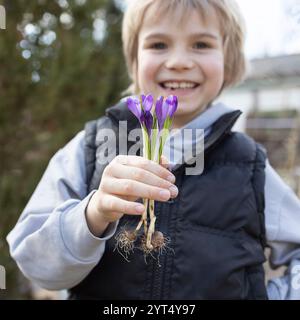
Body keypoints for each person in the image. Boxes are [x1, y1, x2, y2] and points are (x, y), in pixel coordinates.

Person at [7, 0, 300, 299]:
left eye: (201, 44)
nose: (178, 61)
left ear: (230, 59)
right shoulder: (91, 146)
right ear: (134, 61)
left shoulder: (249, 163)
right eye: (159, 44)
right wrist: (94, 214)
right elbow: (36, 264)